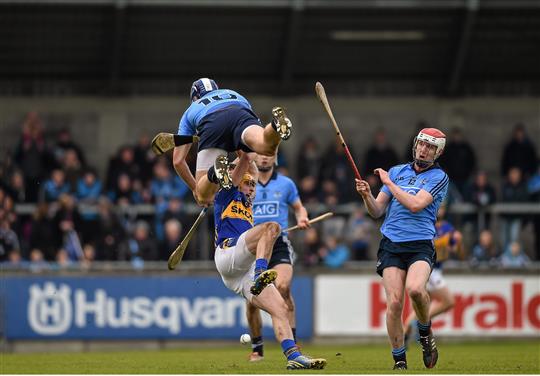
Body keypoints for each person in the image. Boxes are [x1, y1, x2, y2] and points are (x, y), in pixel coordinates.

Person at [212, 152, 326, 370]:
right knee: (272, 227)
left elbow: (251, 170)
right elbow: (245, 163)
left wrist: (249, 159)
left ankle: (293, 356)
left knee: (280, 308)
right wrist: (244, 150)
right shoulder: (227, 194)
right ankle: (260, 274)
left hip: (242, 268)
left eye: (254, 186)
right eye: (248, 185)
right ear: (236, 181)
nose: (252, 189)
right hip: (228, 253)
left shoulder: (248, 202)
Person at [355, 127, 448, 370]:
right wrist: (367, 196)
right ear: (416, 144)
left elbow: (416, 205)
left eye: (430, 147)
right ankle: (400, 360)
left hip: (420, 244)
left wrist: (387, 182)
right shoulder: (397, 172)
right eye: (422, 144)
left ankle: (425, 333)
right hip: (391, 245)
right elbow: (377, 211)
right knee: (394, 303)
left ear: (437, 153)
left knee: (416, 290)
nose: (424, 149)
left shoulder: (439, 177)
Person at [169, 78, 293, 206]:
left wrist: (196, 189)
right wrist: (244, 167)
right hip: (240, 112)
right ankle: (274, 125)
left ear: (195, 97)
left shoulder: (191, 109)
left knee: (203, 196)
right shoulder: (235, 95)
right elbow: (246, 153)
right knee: (266, 147)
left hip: (211, 123)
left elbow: (178, 161)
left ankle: (213, 173)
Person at [244, 153, 309, 362]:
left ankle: (293, 340)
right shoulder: (246, 182)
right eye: (261, 155)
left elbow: (299, 207)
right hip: (253, 247)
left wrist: (302, 217)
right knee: (252, 301)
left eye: (269, 155)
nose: (264, 159)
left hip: (279, 244)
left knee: (283, 287)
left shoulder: (286, 184)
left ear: (275, 158)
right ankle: (257, 348)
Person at [402, 204, 462, 346]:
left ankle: (407, 328)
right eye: (438, 207)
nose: (440, 210)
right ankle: (418, 324)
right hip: (428, 269)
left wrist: (458, 242)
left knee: (423, 304)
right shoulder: (424, 223)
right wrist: (442, 242)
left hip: (436, 269)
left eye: (442, 208)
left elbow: (455, 250)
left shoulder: (447, 227)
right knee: (448, 301)